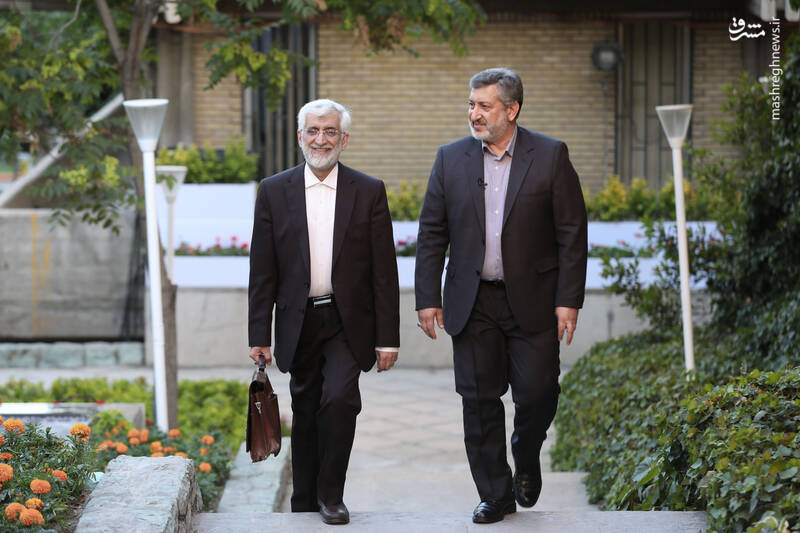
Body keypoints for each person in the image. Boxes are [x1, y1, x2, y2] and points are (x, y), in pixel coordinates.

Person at [414, 68, 587, 524]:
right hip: (472, 302)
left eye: (484, 106)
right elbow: (431, 233)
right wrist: (427, 296)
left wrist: (568, 299)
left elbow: (572, 232)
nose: (474, 114)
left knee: (538, 392)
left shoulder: (550, 155)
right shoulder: (450, 158)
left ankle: (525, 453)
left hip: (533, 298)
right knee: (478, 400)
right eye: (470, 104)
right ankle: (495, 493)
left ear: (512, 110)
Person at [248, 98, 400, 525]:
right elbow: (262, 270)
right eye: (313, 131)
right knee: (305, 408)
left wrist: (388, 338)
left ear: (344, 139)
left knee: (339, 400)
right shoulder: (273, 191)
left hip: (346, 322)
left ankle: (331, 496)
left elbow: (384, 271)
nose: (321, 139)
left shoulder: (368, 190)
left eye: (330, 131)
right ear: (300, 137)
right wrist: (259, 335)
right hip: (297, 321)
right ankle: (303, 499)